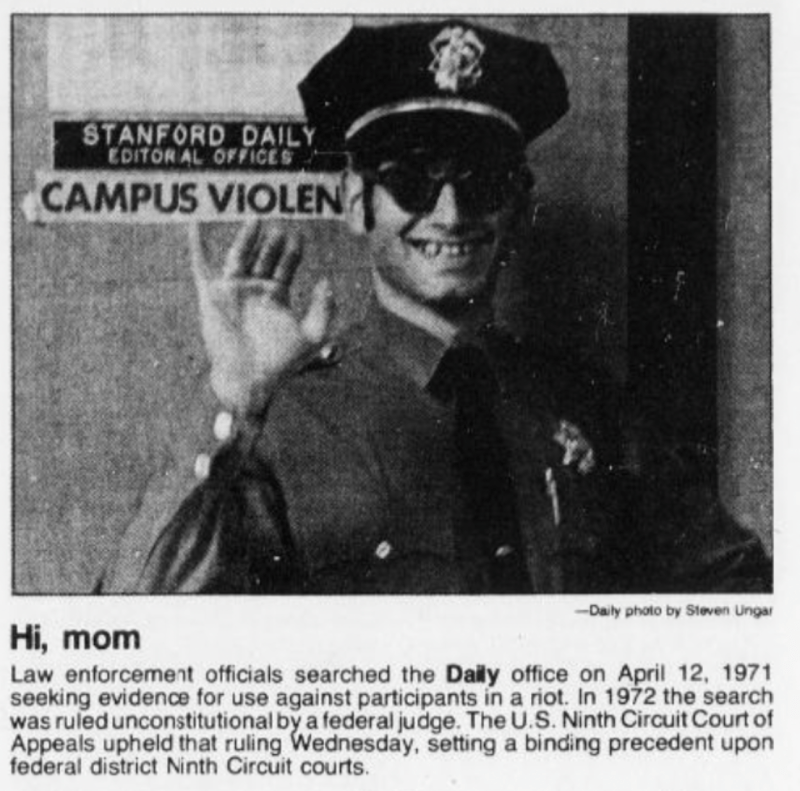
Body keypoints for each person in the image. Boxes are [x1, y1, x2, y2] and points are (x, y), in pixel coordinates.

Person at [103, 20, 770, 594]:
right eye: (412, 181)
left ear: (516, 202)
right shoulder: (278, 422)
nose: (450, 215)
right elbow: (133, 625)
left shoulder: (589, 406)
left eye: (480, 180)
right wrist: (233, 396)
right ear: (356, 201)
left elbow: (746, 594)